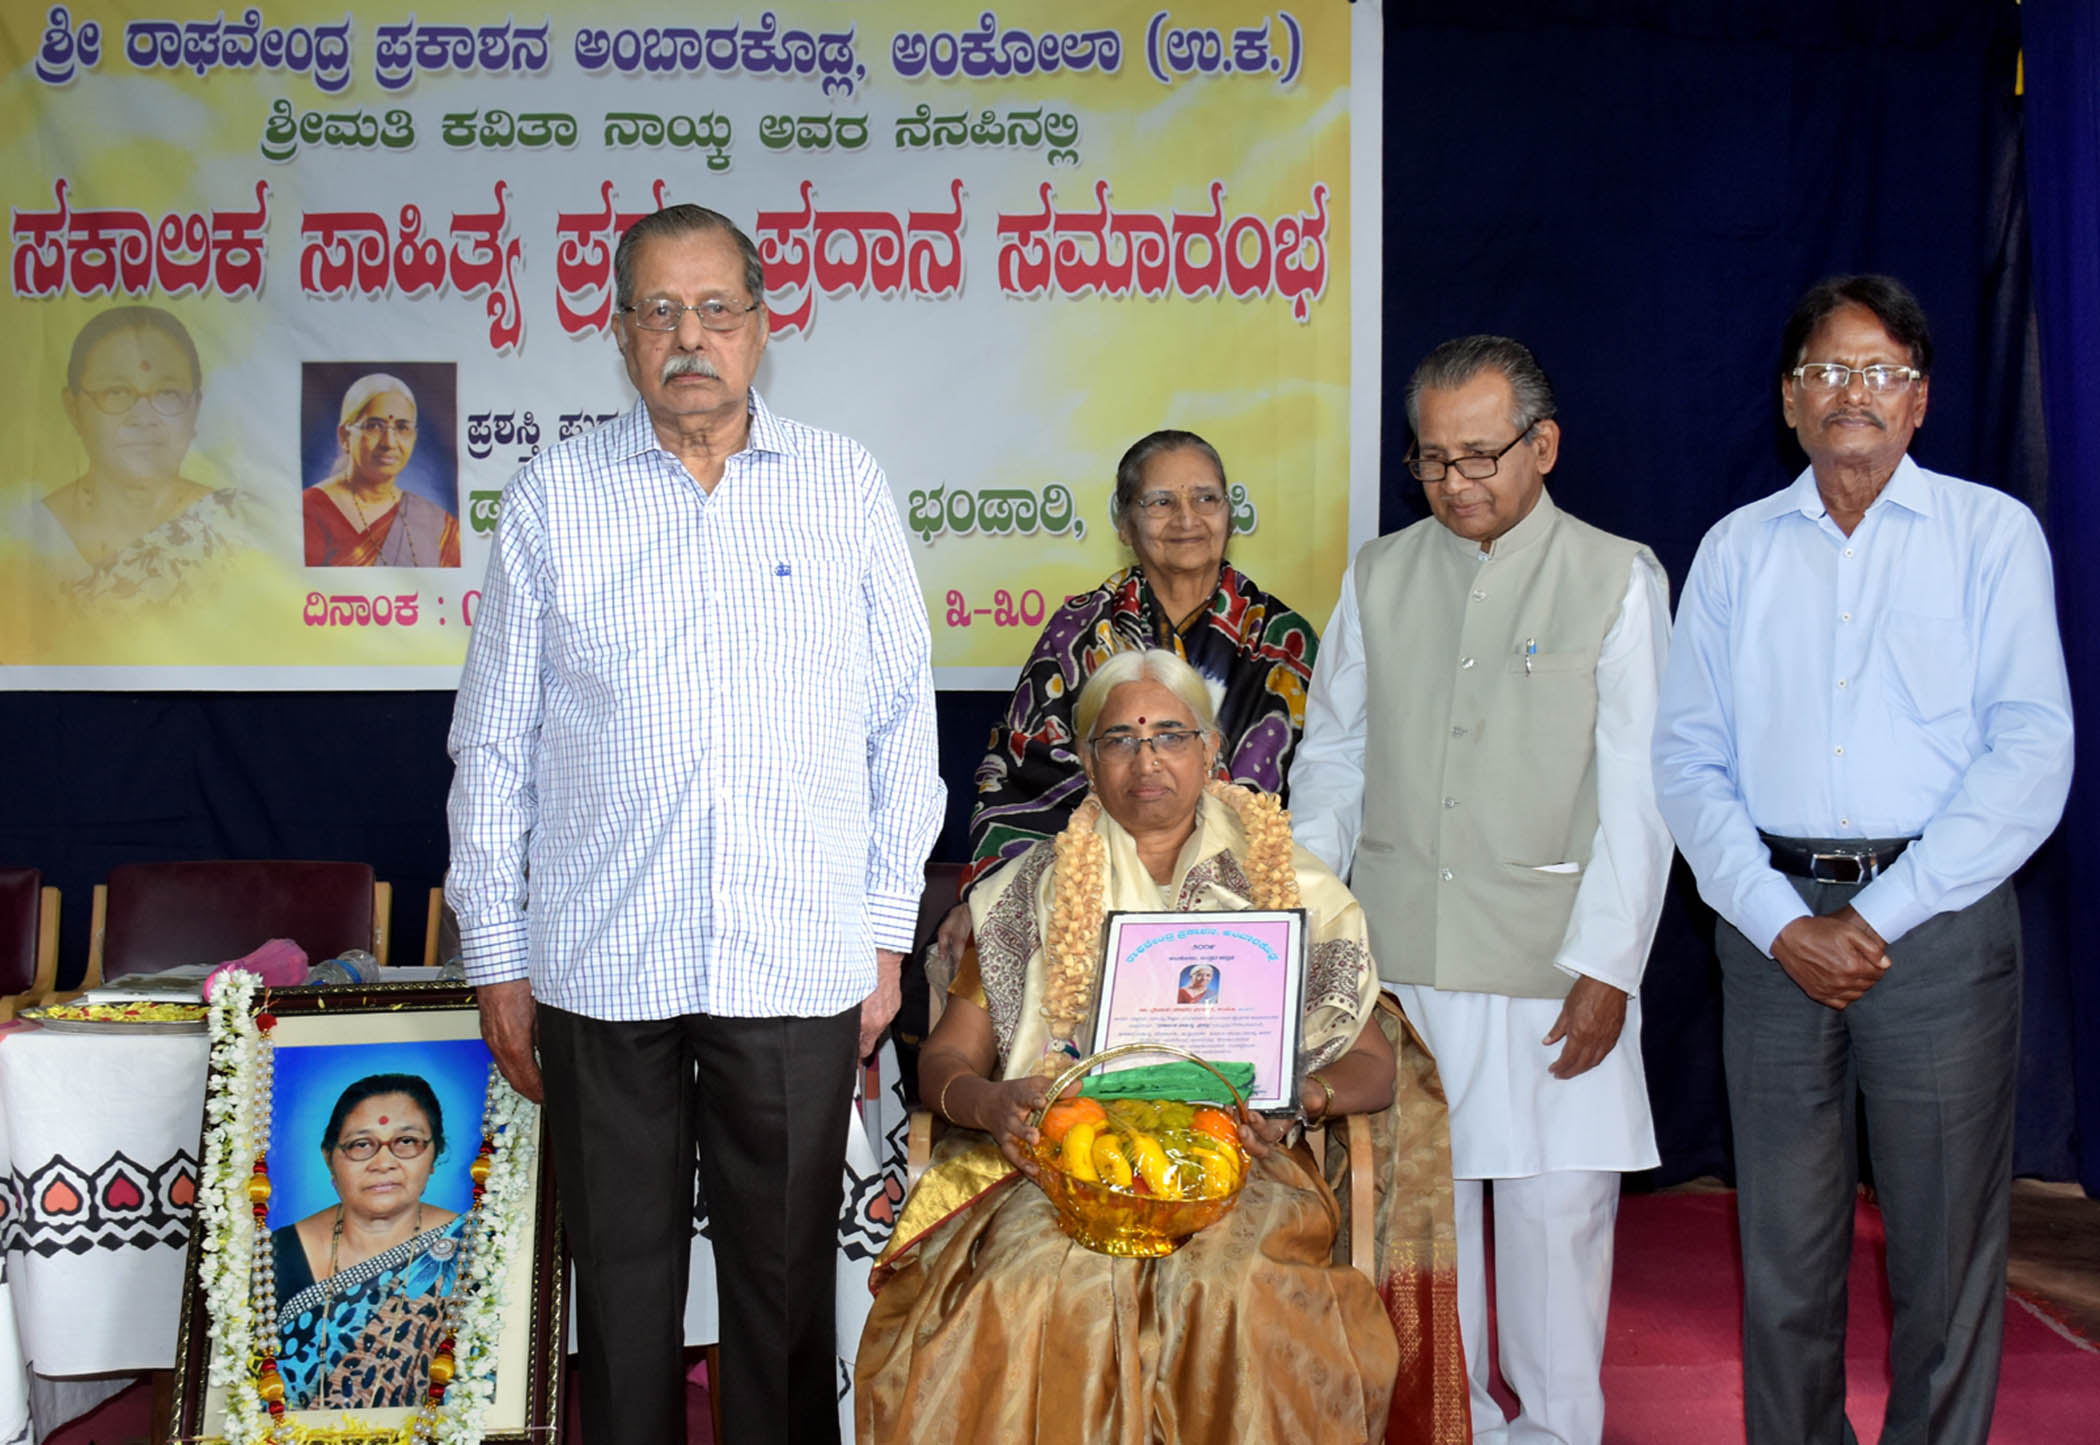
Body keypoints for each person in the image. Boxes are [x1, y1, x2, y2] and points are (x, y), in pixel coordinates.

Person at [447, 201, 943, 1445]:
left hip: (793, 960)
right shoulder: (555, 498)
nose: (690, 339)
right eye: (661, 312)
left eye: (717, 310)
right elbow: (492, 744)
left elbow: (902, 726)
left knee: (783, 1300)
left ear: (762, 326)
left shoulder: (841, 486)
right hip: (604, 963)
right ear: (618, 332)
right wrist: (496, 954)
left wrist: (884, 935)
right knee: (621, 1303)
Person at [1651, 275, 2073, 1445]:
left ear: (1920, 399)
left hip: (1938, 925)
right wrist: (1780, 919)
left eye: (1881, 371)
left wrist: (1879, 913)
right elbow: (1685, 759)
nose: (1854, 392)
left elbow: (2032, 751)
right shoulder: (1736, 551)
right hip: (1770, 927)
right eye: (1827, 371)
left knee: (1944, 1254)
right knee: (1784, 1255)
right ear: (1789, 399)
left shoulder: (1991, 536)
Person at [857, 648, 1468, 1445]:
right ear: (1087, 763)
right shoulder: (1025, 891)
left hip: (1243, 1162)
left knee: (1235, 1288)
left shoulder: (1295, 886)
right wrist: (992, 1102)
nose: (1146, 760)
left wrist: (1299, 1100)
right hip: (1062, 1166)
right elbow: (945, 1060)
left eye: (1170, 735)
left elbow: (1376, 1068)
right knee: (1032, 1284)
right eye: (1120, 739)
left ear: (1211, 750)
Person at [1292, 335, 1674, 1445]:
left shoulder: (1618, 576)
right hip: (1404, 964)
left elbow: (1642, 793)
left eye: (1480, 456)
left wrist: (1608, 968)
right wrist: (1311, 923)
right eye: (1432, 459)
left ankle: (1556, 1430)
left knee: (1557, 1226)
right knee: (1425, 1235)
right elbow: (1334, 758)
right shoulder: (1379, 574)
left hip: (1554, 965)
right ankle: (1456, 1427)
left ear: (1542, 446)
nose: (1455, 482)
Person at [937, 431, 1321, 959]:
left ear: (1230, 515)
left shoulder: (1281, 641)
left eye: (1205, 498)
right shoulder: (1080, 631)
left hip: (1245, 907)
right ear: (1123, 523)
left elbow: (1318, 794)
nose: (1187, 519)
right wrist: (987, 897)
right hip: (1086, 902)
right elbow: (1024, 779)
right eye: (1161, 502)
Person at [25, 305, 256, 603]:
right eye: (116, 392)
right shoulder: (25, 535)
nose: (144, 417)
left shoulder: (239, 528)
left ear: (195, 407)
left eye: (167, 393)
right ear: (73, 408)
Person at [271, 1073, 467, 1411]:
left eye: (406, 1141)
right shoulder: (273, 1254)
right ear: (329, 1157)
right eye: (361, 1144)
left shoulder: (472, 1248)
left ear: (434, 1154)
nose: (384, 1163)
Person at [303, 372, 461, 567]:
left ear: (414, 437)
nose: (389, 443)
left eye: (402, 427)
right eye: (374, 426)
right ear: (345, 436)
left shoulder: (436, 523)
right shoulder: (311, 510)